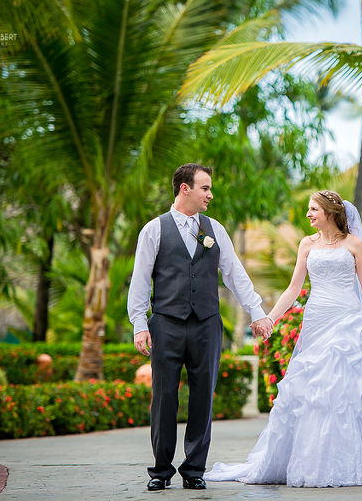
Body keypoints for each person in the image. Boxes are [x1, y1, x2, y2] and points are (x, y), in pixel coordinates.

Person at [204, 190, 362, 487]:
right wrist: (270, 318)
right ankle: (311, 461)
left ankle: (349, 463)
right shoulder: (306, 245)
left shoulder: (354, 244)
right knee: (314, 391)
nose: (309, 214)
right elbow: (293, 288)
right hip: (317, 321)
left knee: (345, 393)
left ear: (330, 213)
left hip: (349, 320)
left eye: (313, 209)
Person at [127, 163, 273, 491]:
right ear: (185, 189)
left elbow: (235, 274)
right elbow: (139, 282)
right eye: (205, 188)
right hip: (166, 323)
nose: (210, 194)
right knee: (164, 397)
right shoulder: (154, 229)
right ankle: (161, 471)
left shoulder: (215, 230)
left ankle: (194, 469)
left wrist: (257, 312)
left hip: (207, 324)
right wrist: (140, 324)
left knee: (203, 397)